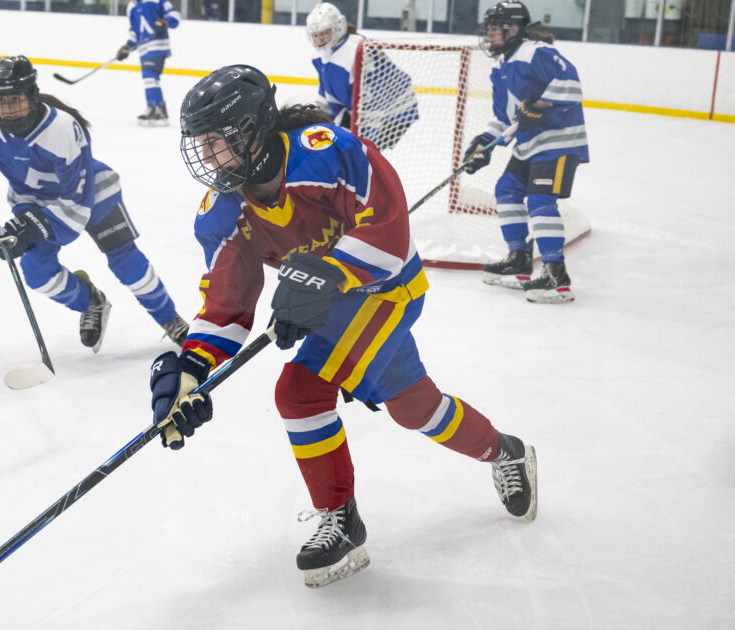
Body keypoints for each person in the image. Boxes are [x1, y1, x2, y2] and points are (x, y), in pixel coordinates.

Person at [148, 64, 537, 588]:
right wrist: (192, 370)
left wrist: (328, 273)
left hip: (386, 290)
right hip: (332, 312)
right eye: (202, 144)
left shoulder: (323, 150)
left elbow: (390, 226)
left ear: (253, 130)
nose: (209, 158)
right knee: (414, 408)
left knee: (300, 391)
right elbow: (228, 302)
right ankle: (505, 450)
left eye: (217, 142)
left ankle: (342, 520)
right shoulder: (222, 212)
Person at [0, 56, 189, 352]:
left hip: (92, 196)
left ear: (32, 96)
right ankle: (92, 302)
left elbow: (76, 207)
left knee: (125, 260)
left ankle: (171, 320)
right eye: (0, 101)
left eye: (16, 100)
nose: (8, 109)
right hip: (32, 201)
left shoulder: (62, 130)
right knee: (36, 273)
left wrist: (31, 229)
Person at [464, 0, 588, 304]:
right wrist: (484, 142)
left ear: (514, 29)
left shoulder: (536, 52)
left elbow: (571, 85)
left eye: (495, 30)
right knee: (506, 189)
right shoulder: (500, 64)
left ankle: (555, 274)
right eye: (489, 29)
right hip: (530, 144)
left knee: (539, 200)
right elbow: (506, 118)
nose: (489, 35)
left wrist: (540, 105)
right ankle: (519, 258)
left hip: (558, 141)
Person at [306, 2, 417, 150]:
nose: (320, 39)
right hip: (359, 110)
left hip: (396, 110)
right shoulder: (319, 57)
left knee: (361, 155)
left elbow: (376, 95)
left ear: (338, 27)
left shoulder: (358, 50)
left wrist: (362, 141)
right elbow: (326, 94)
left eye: (325, 33)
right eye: (316, 35)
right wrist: (316, 122)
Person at [115, 0, 180, 126]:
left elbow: (174, 15)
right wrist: (127, 47)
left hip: (157, 45)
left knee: (149, 76)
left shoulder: (158, 1)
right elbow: (134, 32)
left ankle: (153, 108)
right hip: (143, 49)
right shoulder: (132, 6)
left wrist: (165, 22)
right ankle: (159, 110)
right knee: (150, 78)